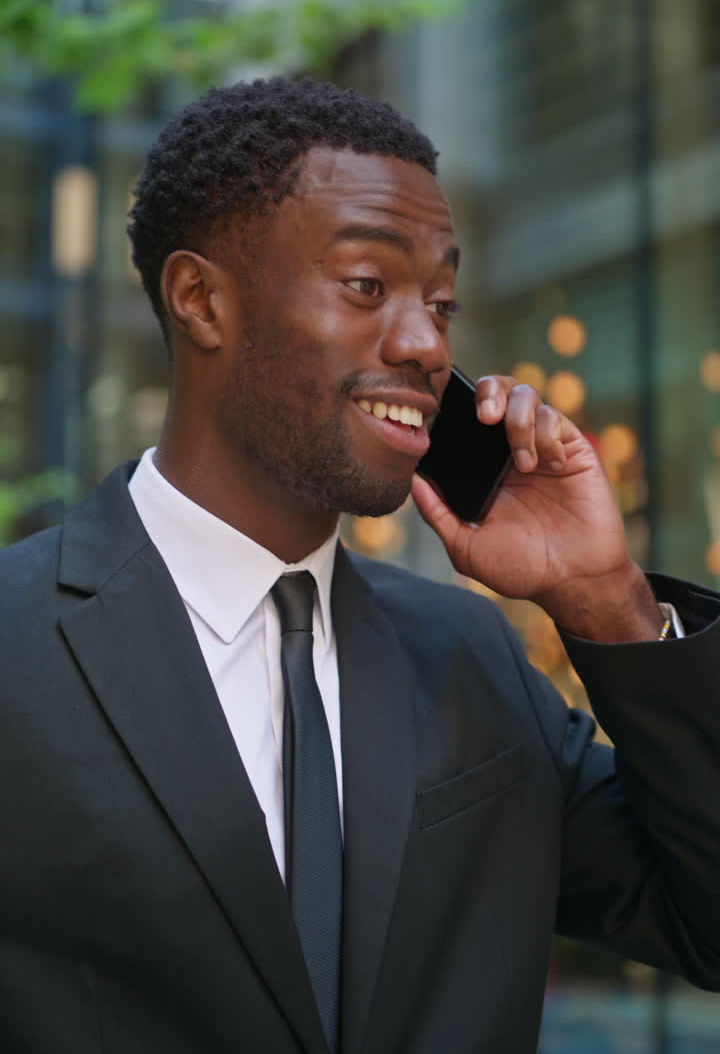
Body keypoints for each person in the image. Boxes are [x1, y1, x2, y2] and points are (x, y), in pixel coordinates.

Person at [1, 76, 719, 1054]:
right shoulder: (15, 642)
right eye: (368, 285)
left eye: (442, 300)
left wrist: (607, 599)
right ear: (202, 298)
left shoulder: (472, 654)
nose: (427, 342)